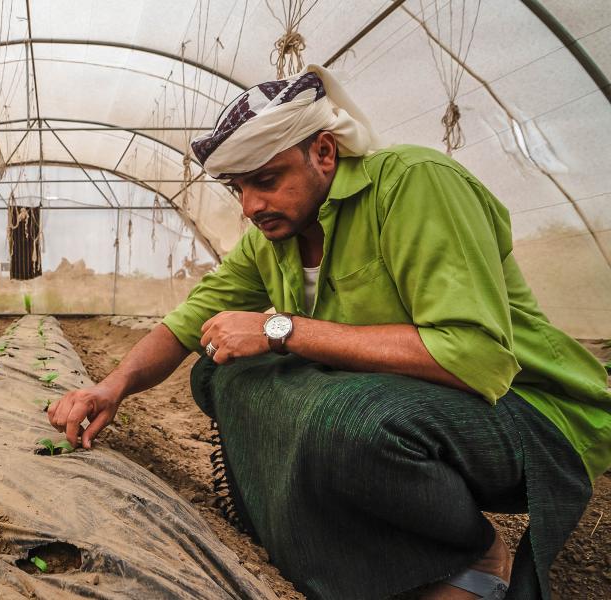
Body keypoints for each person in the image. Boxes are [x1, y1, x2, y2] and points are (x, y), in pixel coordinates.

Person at [47, 65, 610, 600]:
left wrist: (280, 327)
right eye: (237, 188)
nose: (249, 206)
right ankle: (316, 533)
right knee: (219, 371)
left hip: (527, 412)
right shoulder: (273, 235)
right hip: (410, 402)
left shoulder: (414, 184)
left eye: (265, 181)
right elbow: (187, 324)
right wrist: (111, 387)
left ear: (323, 151)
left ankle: (474, 556)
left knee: (347, 417)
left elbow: (475, 357)